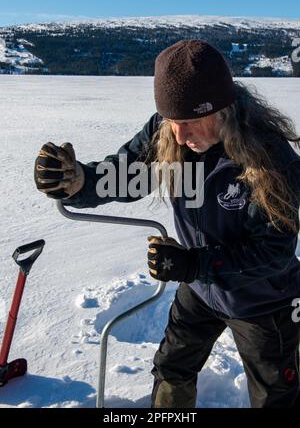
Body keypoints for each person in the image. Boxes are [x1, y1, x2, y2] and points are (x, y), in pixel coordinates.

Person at [34, 40, 300, 408]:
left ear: (222, 109)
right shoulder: (170, 130)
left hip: (264, 301)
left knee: (275, 396)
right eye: (172, 121)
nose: (178, 135)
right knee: (172, 368)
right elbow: (127, 175)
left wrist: (197, 264)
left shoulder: (268, 157)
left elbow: (275, 252)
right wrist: (78, 182)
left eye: (189, 122)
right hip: (201, 289)